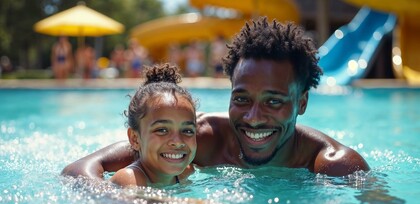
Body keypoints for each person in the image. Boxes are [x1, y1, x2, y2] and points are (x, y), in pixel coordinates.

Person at [62, 17, 369, 180]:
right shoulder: (202, 139)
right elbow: (79, 170)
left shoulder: (333, 165)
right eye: (242, 99)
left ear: (302, 103)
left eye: (273, 101)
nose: (253, 117)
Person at [110, 63, 197, 187]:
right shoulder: (128, 177)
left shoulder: (186, 172)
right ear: (135, 139)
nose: (178, 142)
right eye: (162, 130)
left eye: (187, 131)